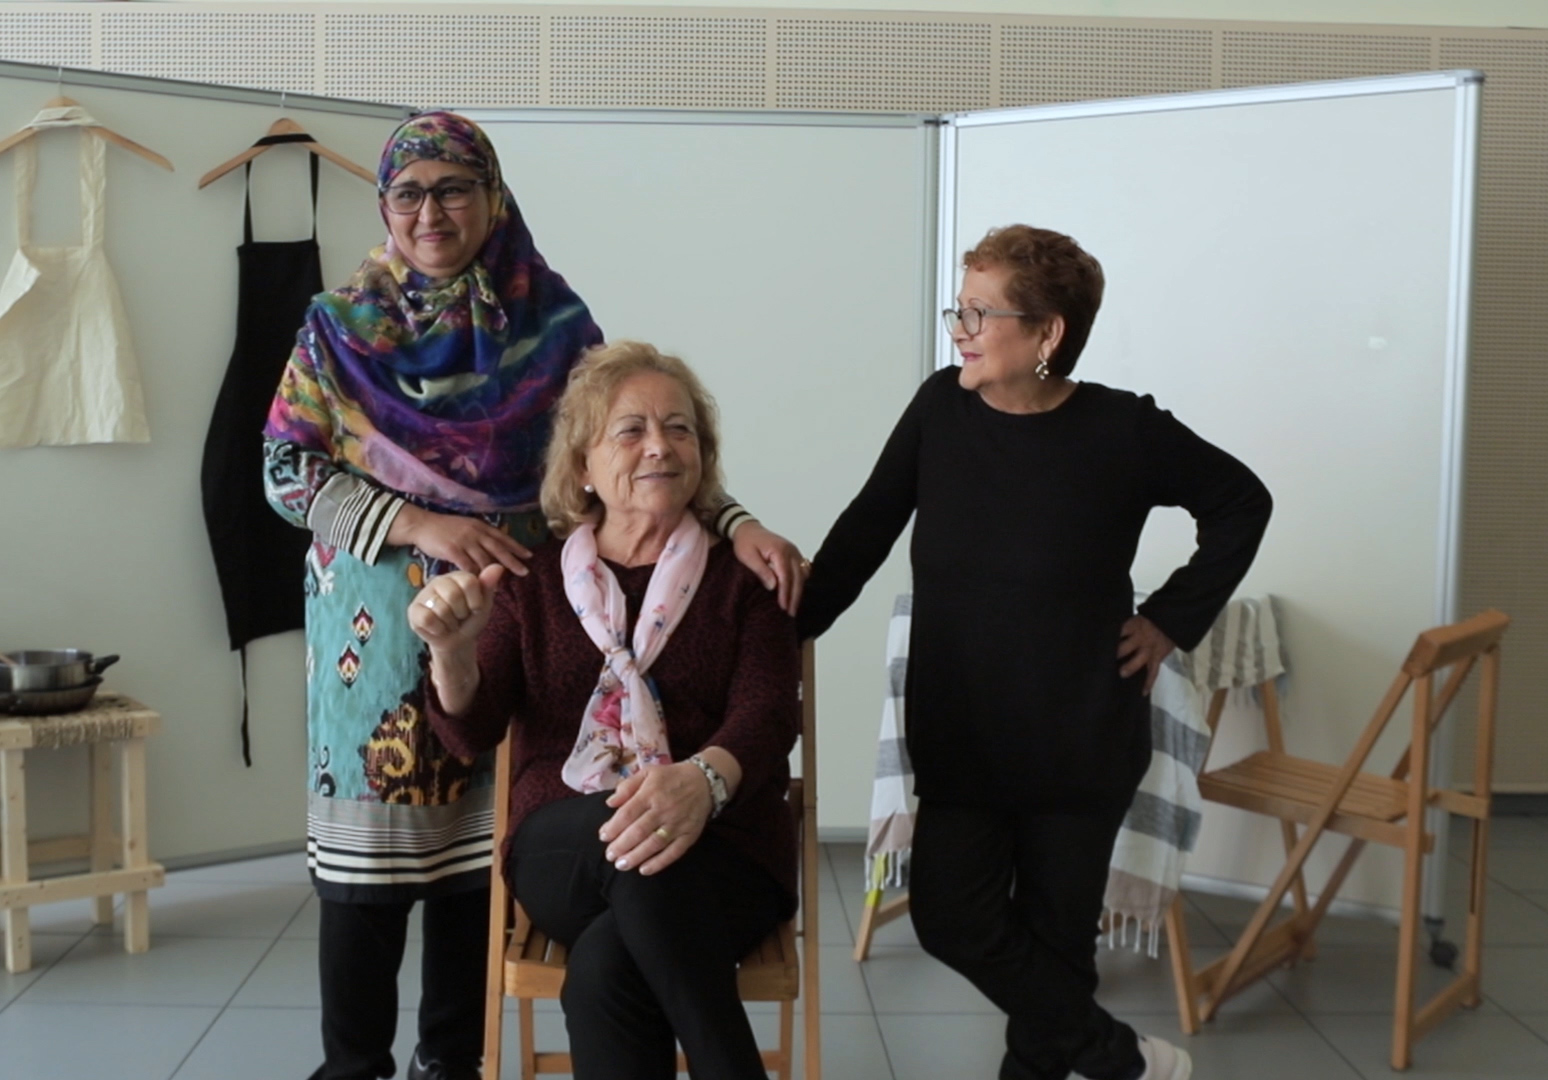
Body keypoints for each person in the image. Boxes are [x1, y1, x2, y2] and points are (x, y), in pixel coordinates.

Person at [262, 114, 808, 1080]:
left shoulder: (551, 322)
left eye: (455, 188)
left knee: (481, 855)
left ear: (494, 197)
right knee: (368, 867)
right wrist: (420, 525)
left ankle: (451, 1060)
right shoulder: (338, 327)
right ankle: (353, 1067)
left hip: (536, 610)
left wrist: (735, 522)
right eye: (409, 193)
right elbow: (281, 470)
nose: (432, 212)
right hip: (375, 626)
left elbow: (632, 444)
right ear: (384, 206)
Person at [798, 224, 1272, 1080]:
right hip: (963, 734)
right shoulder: (940, 409)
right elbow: (865, 529)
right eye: (959, 310)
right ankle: (1119, 1055)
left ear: (1048, 332)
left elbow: (1243, 501)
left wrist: (1170, 619)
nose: (961, 330)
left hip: (1079, 738)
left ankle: (1080, 1053)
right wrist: (779, 632)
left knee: (1057, 948)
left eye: (981, 313)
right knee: (950, 918)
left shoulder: (1123, 430)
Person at [408, 341, 802, 1080]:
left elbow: (769, 714)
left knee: (606, 968)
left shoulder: (744, 577)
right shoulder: (529, 583)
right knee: (637, 842)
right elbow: (470, 731)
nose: (660, 446)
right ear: (583, 464)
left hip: (729, 848)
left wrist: (701, 783)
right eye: (632, 430)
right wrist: (453, 654)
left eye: (679, 429)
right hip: (565, 845)